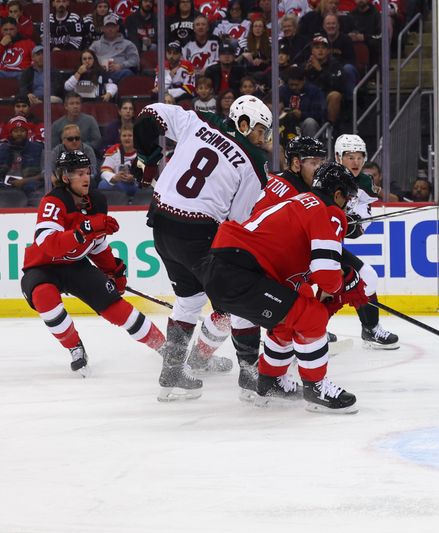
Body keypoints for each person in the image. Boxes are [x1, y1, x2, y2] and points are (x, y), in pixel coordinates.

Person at [133, 95, 272, 401]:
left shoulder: (197, 121)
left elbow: (147, 115)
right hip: (198, 233)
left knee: (189, 298)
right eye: (261, 130)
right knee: (242, 296)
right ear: (244, 123)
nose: (264, 139)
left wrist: (148, 157)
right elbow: (237, 220)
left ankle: (171, 374)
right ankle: (251, 377)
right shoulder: (253, 163)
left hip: (161, 224)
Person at [205, 161, 364, 413]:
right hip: (243, 272)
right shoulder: (329, 211)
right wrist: (343, 282)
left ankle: (270, 382)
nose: (347, 204)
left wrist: (332, 281)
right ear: (337, 194)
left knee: (289, 317)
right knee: (311, 317)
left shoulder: (301, 200)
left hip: (226, 267)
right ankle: (316, 387)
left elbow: (297, 264)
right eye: (348, 197)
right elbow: (326, 274)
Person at [19, 150, 165, 377]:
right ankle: (75, 348)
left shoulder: (97, 201)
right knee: (44, 296)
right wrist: (84, 229)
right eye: (79, 173)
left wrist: (113, 271)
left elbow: (96, 245)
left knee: (117, 308)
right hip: (42, 267)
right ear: (65, 177)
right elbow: (49, 245)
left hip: (76, 266)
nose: (86, 177)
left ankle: (164, 347)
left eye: (87, 172)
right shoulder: (53, 202)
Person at [335, 134, 400, 349]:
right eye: (349, 156)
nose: (355, 162)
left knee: (368, 278)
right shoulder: (325, 177)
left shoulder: (364, 183)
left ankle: (370, 329)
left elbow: (361, 224)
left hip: (330, 245)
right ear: (338, 157)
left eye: (359, 157)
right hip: (305, 243)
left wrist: (355, 223)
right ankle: (307, 332)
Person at [0, 115, 43, 207]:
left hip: (32, 189)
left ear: (27, 132)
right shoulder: (2, 149)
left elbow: (44, 174)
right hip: (4, 190)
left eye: (22, 131)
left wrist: (24, 181)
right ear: (10, 133)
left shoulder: (38, 149)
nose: (19, 133)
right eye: (16, 131)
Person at [304, 34, 345, 125]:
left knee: (335, 95)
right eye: (317, 47)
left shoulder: (335, 65)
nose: (320, 50)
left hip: (326, 96)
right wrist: (305, 72)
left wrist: (320, 70)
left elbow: (337, 86)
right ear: (312, 51)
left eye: (323, 48)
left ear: (328, 51)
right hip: (308, 98)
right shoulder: (306, 65)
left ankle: (330, 130)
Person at [89, 14, 139, 83]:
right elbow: (87, 58)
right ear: (103, 29)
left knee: (127, 73)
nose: (110, 29)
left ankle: (108, 83)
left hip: (120, 73)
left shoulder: (128, 44)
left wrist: (120, 66)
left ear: (117, 28)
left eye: (113, 26)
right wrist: (98, 66)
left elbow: (135, 60)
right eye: (107, 27)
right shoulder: (95, 44)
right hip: (100, 72)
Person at [279, 66, 325, 138]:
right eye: (291, 85)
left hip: (304, 123)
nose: (294, 87)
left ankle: (310, 148)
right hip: (286, 122)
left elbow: (320, 114)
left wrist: (302, 115)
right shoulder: (282, 90)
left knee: (310, 122)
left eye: (296, 85)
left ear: (303, 80)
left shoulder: (314, 91)